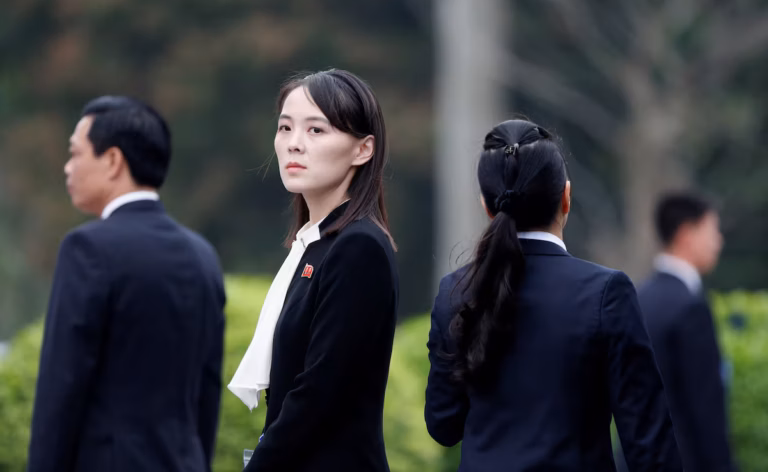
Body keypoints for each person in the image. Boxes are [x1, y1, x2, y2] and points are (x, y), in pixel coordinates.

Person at [424, 120, 681, 471]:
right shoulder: (605, 293)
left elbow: (443, 424)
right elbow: (649, 443)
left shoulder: (456, 291)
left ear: (486, 205)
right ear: (566, 197)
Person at [27, 96, 226, 472]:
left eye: (76, 153)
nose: (68, 167)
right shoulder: (203, 256)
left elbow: (62, 385)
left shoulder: (87, 248)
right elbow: (207, 390)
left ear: (113, 161)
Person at [228, 69, 399, 471]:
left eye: (316, 130)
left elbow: (320, 391)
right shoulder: (313, 246)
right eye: (285, 128)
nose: (294, 143)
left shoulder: (359, 247)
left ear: (363, 149)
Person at [637, 192, 734, 471]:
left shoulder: (637, 298)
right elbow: (705, 410)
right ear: (686, 235)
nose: (718, 242)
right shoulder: (690, 307)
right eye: (712, 231)